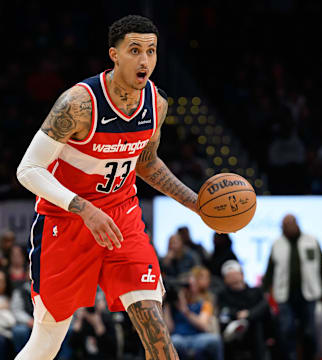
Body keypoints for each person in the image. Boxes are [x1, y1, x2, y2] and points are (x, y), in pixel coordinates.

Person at [15, 15, 199, 360]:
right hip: (66, 222)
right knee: (46, 343)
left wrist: (196, 203)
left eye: (151, 51)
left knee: (155, 327)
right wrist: (85, 209)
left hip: (122, 218)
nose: (145, 60)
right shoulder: (78, 104)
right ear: (114, 54)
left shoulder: (156, 105)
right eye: (134, 50)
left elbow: (146, 162)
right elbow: (28, 170)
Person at [262, 214, 322, 360]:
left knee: (310, 331)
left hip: (309, 293)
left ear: (297, 224)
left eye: (289, 224)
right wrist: (265, 290)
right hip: (284, 294)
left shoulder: (312, 240)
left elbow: (321, 268)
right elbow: (270, 270)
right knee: (286, 330)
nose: (287, 228)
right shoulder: (276, 244)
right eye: (284, 225)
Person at [163, 271, 223, 360]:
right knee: (174, 342)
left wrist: (185, 310)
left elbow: (204, 326)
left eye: (190, 286)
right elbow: (169, 330)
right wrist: (167, 305)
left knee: (215, 340)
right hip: (179, 337)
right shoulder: (172, 305)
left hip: (198, 338)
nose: (188, 289)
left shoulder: (204, 304)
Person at [217, 260, 270, 360]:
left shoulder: (255, 291)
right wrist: (238, 315)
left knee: (257, 324)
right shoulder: (222, 295)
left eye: (235, 274)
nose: (233, 278)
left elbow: (264, 306)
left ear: (242, 274)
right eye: (229, 275)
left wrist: (249, 314)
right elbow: (224, 311)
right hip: (233, 326)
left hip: (254, 325)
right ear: (224, 279)